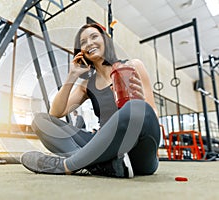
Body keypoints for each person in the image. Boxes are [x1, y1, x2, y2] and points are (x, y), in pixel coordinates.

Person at [21, 23, 160, 178]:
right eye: (83, 42)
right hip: (102, 145)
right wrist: (72, 76)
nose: (89, 43)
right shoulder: (87, 85)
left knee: (137, 107)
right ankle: (101, 164)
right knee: (40, 121)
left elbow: (152, 113)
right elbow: (55, 113)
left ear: (106, 40)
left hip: (136, 148)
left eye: (94, 37)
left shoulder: (132, 66)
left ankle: (67, 165)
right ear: (81, 52)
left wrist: (140, 102)